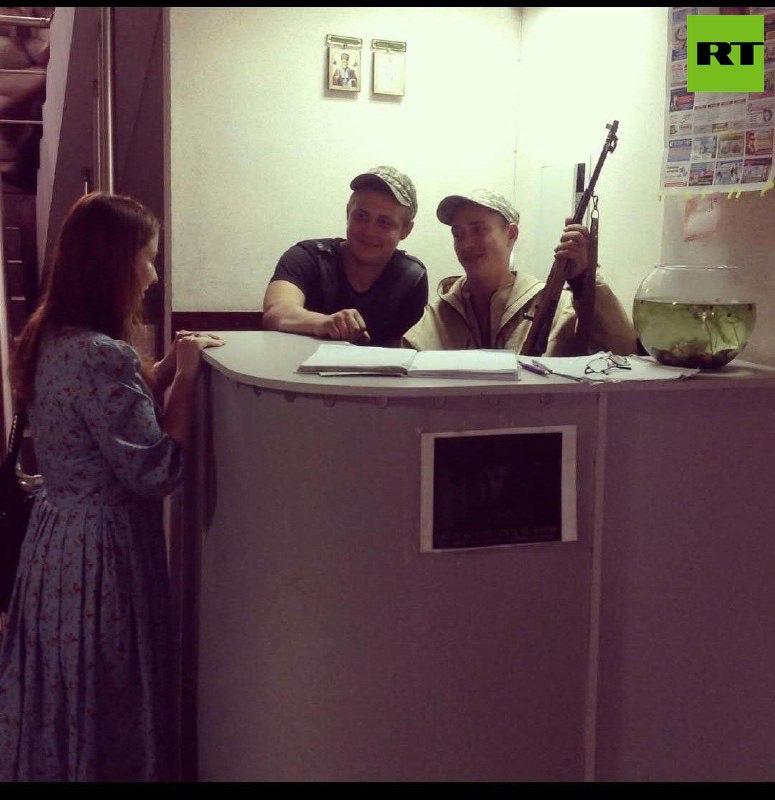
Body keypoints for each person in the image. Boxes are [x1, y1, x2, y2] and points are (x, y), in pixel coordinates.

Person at [0, 192, 224, 781]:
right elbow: (157, 470)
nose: (153, 275)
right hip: (102, 553)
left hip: (55, 540)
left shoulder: (51, 336)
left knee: (64, 682)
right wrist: (187, 378)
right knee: (109, 685)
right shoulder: (103, 355)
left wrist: (163, 368)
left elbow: (104, 418)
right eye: (147, 258)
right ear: (115, 264)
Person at [402, 189, 636, 355]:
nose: (467, 244)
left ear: (511, 234)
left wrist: (584, 279)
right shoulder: (439, 315)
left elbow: (622, 353)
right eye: (458, 234)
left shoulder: (556, 307)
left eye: (478, 230)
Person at [262, 166, 428, 346]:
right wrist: (323, 323)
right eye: (361, 216)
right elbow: (276, 313)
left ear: (406, 230)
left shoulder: (411, 276)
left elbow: (404, 351)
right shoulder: (307, 257)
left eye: (384, 222)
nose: (369, 231)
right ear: (348, 212)